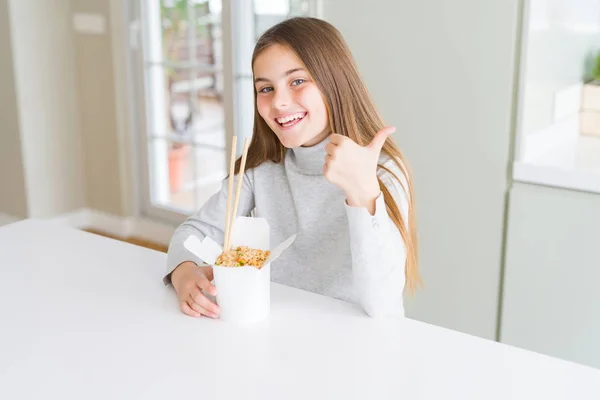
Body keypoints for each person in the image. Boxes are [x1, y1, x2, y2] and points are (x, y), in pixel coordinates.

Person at [163, 17, 420, 319]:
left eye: (297, 81)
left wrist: (363, 193)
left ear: (334, 81)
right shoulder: (261, 167)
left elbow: (382, 303)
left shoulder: (383, 169)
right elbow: (194, 231)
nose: (279, 102)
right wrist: (184, 272)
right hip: (277, 332)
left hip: (355, 342)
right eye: (266, 88)